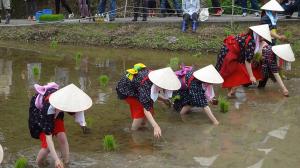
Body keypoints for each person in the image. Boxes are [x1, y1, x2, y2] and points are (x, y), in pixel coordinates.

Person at [29, 83, 92, 167]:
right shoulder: (48, 108)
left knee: (62, 136)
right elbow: (48, 137)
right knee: (47, 146)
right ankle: (39, 164)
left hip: (57, 110)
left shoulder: (70, 100)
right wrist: (56, 160)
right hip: (40, 113)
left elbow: (77, 113)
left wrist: (83, 125)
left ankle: (66, 163)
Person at [116, 64, 181, 138]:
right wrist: (155, 126)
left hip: (137, 88)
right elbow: (146, 108)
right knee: (140, 109)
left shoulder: (155, 78)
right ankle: (133, 132)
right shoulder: (146, 84)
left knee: (149, 108)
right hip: (125, 91)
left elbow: (150, 94)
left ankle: (142, 124)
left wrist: (164, 99)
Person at [215, 24, 272, 98]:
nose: (264, 38)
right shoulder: (252, 41)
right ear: (259, 35)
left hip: (231, 52)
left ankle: (231, 93)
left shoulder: (251, 37)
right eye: (263, 36)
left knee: (235, 73)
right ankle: (225, 92)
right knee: (232, 73)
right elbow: (247, 61)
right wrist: (251, 76)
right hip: (227, 53)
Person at [260, 0, 288, 86]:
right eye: (275, 10)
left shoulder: (273, 17)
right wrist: (279, 37)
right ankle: (265, 80)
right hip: (265, 42)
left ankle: (273, 76)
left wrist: (278, 36)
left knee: (269, 62)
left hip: (271, 41)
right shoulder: (266, 18)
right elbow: (268, 31)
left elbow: (273, 30)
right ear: (270, 9)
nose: (276, 11)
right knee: (265, 62)